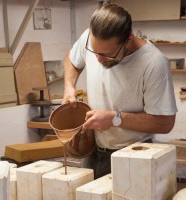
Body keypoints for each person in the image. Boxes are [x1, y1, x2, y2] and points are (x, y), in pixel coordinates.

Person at [62, 3, 177, 179]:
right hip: (93, 152)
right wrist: (69, 86)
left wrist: (115, 118)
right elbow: (72, 60)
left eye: (107, 54)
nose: (98, 59)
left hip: (132, 154)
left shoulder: (153, 63)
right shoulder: (90, 38)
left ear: (129, 39)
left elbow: (165, 123)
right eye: (94, 52)